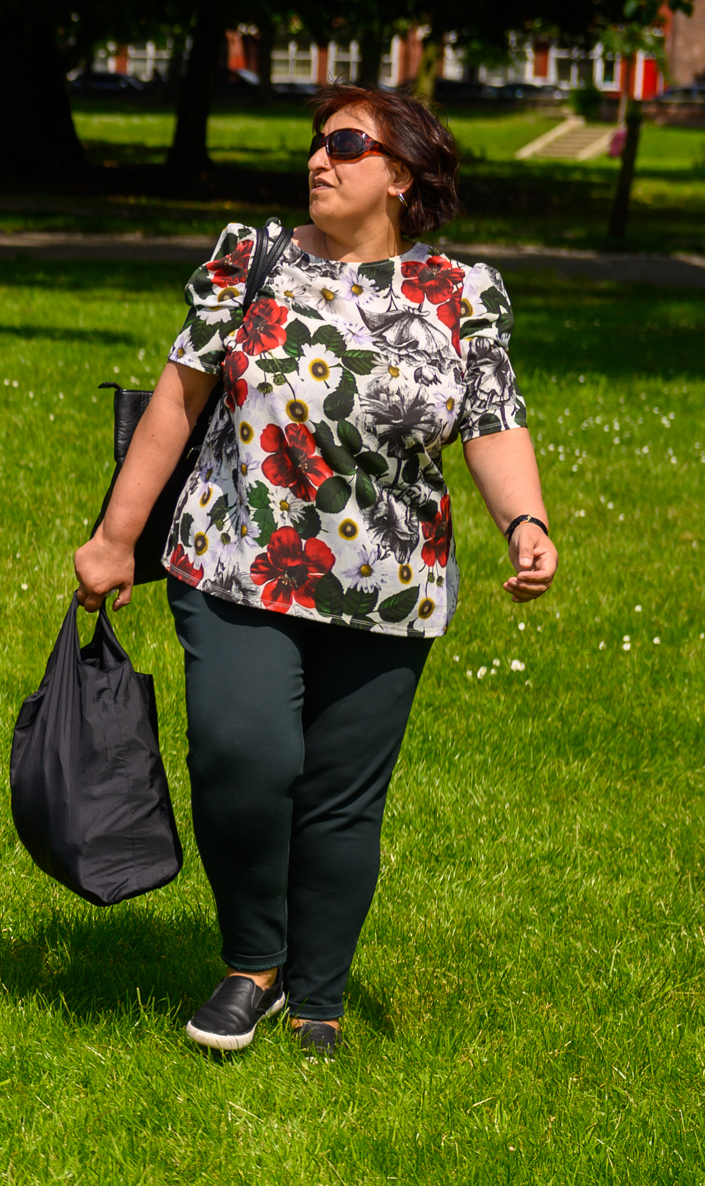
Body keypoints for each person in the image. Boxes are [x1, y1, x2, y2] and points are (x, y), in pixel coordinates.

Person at [75, 85, 557, 1060]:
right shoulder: (247, 259)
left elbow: (492, 419)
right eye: (315, 143)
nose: (318, 159)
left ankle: (317, 1000)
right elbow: (176, 400)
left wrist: (524, 520)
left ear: (401, 174)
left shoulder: (462, 296)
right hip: (233, 556)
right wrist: (114, 537)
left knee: (342, 798)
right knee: (241, 758)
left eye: (345, 143)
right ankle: (251, 961)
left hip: (385, 580)